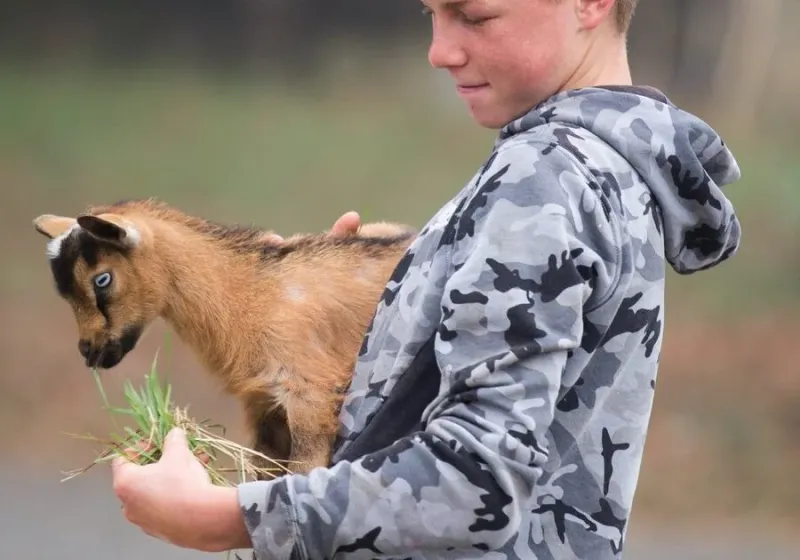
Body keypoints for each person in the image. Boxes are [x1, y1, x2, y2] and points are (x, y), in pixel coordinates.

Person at [110, 0, 742, 558]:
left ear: (590, 4)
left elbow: (478, 476)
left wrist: (232, 517)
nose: (440, 51)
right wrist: (380, 314)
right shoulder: (612, 168)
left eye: (474, 15)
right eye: (430, 15)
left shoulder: (541, 178)